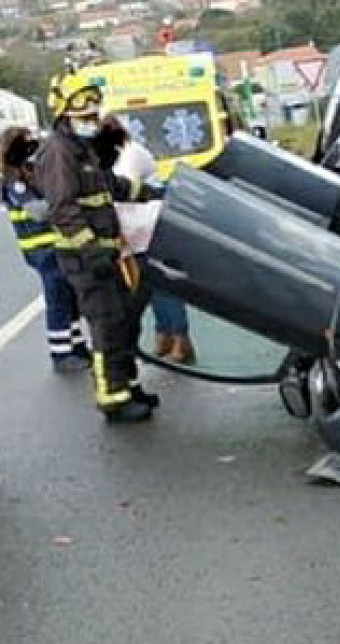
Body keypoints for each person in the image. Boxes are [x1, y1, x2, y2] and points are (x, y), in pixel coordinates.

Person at [38, 72, 162, 423]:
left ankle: (128, 383)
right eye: (84, 118)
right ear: (65, 116)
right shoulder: (58, 152)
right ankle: (113, 398)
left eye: (94, 117)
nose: (92, 123)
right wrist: (91, 250)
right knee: (107, 323)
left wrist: (150, 193)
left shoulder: (82, 149)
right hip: (84, 257)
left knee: (125, 320)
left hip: (105, 252)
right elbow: (63, 209)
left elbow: (108, 187)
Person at [94, 115, 197, 364]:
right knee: (148, 287)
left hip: (148, 228)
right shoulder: (111, 155)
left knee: (162, 286)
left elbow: (124, 189)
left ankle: (181, 340)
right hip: (132, 231)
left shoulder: (130, 154)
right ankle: (164, 335)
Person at [1, 127, 91, 373]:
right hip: (41, 250)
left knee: (68, 298)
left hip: (54, 247)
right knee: (57, 300)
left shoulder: (32, 172)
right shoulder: (14, 180)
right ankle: (61, 354)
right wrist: (61, 202)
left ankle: (76, 345)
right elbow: (37, 212)